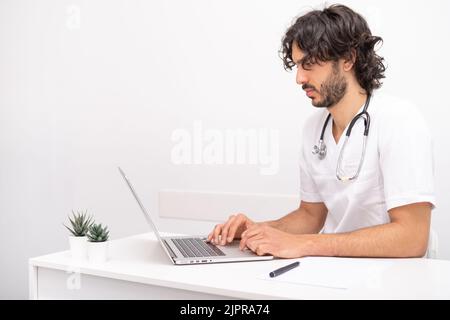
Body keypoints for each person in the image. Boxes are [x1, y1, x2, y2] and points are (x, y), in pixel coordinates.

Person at [207, 4, 436, 258]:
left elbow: (413, 238)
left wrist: (306, 245)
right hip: (335, 269)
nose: (299, 78)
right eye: (296, 65)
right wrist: (257, 230)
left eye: (308, 64)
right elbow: (310, 215)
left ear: (348, 59)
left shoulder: (399, 120)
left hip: (392, 276)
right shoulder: (313, 128)